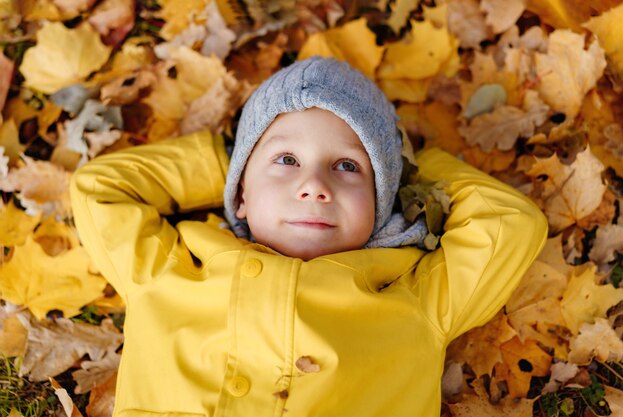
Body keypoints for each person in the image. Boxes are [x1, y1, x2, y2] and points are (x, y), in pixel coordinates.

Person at [70, 56, 548, 417]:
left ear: (382, 203)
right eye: (285, 160)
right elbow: (100, 189)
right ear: (239, 194)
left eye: (347, 166)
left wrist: (415, 171)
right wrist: (226, 160)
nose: (315, 187)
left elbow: (509, 222)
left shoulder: (418, 300)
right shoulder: (165, 272)